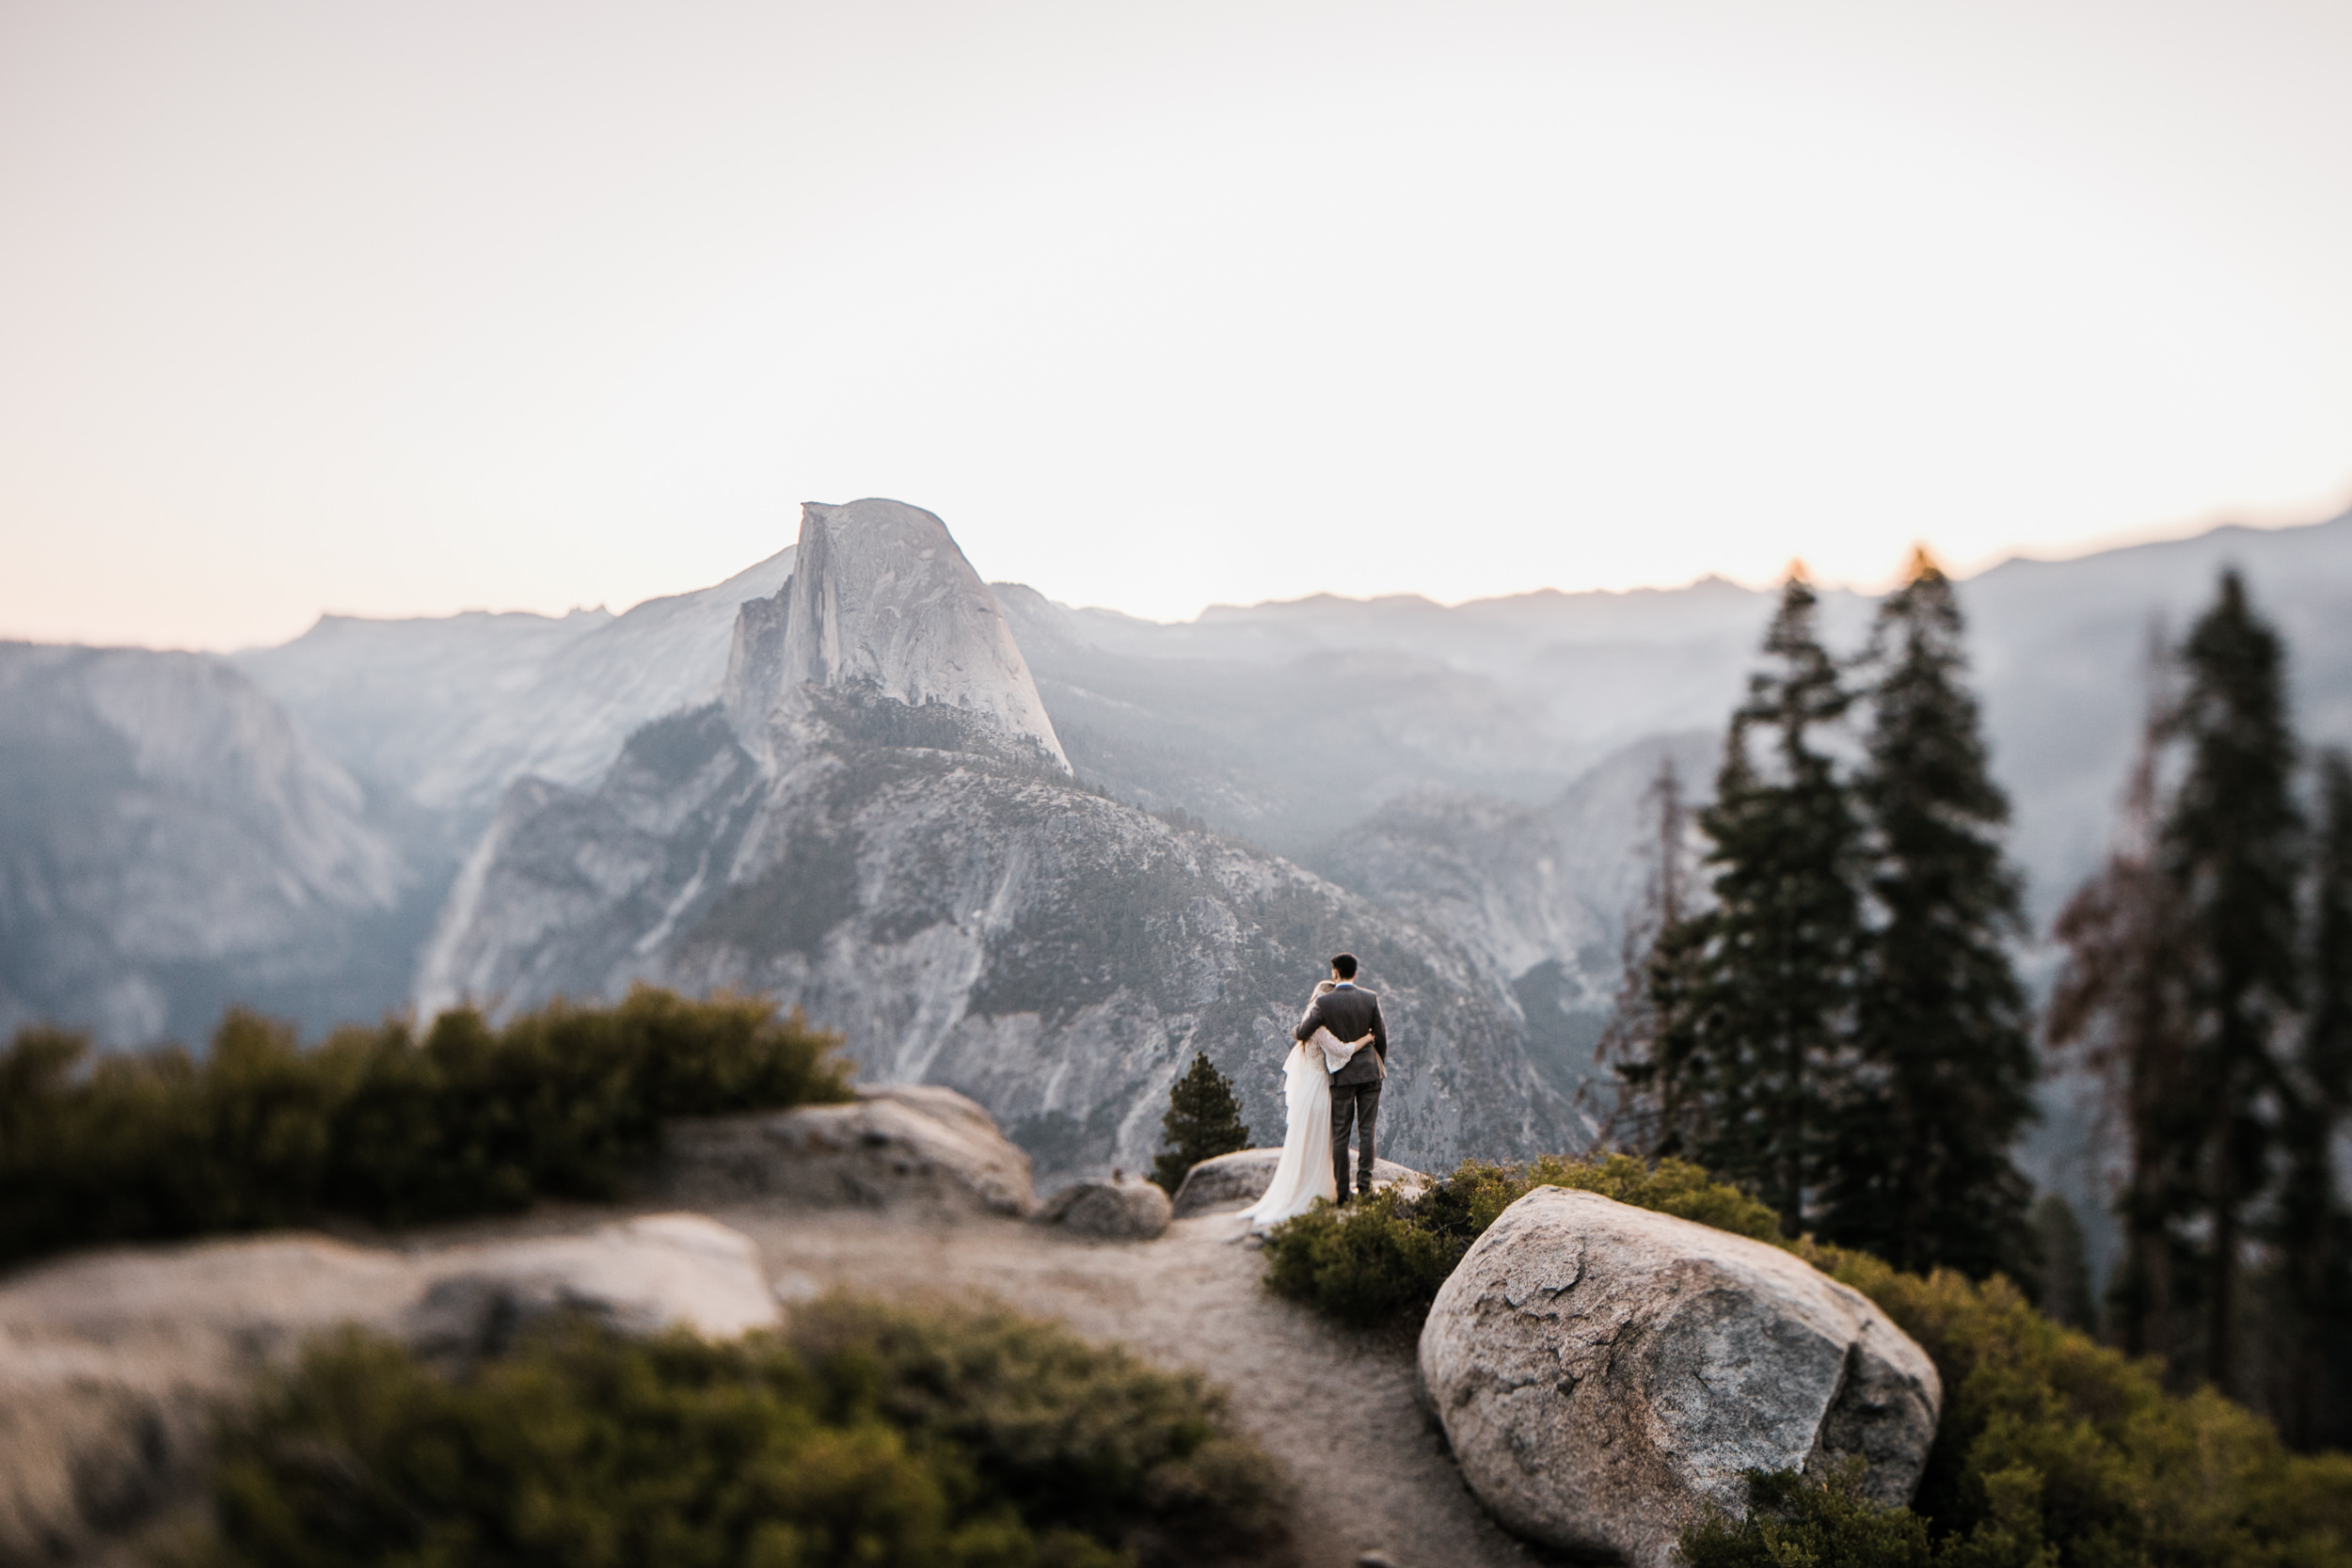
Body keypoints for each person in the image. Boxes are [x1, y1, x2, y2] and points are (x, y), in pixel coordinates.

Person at [1237, 975, 1374, 1229]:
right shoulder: (1321, 1028)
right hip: (1320, 1089)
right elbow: (1342, 1050)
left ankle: (1313, 1188)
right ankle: (1317, 1192)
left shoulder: (1310, 1024)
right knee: (1322, 1141)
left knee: (1310, 1140)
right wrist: (1367, 1038)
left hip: (1309, 1088)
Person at [1295, 953, 1387, 1203]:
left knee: (1341, 1134)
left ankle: (1343, 1194)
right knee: (1367, 1130)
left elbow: (1303, 1032)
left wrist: (1298, 1029)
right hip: (1370, 1072)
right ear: (1355, 973)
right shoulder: (1370, 998)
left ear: (1335, 973)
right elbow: (1381, 1036)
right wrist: (1378, 1064)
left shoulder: (1324, 1003)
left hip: (1342, 1077)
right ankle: (1366, 1187)